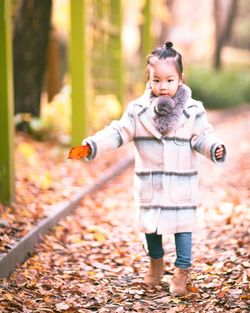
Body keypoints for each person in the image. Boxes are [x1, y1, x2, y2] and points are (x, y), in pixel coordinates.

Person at [74, 41, 226, 296]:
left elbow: (202, 136)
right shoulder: (138, 111)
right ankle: (156, 262)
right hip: (150, 184)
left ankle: (181, 271)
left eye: (169, 80)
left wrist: (214, 148)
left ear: (180, 80)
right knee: (150, 228)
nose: (162, 86)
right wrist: (93, 145)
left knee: (183, 228)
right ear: (149, 78)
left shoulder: (193, 110)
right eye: (156, 80)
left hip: (181, 184)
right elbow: (118, 132)